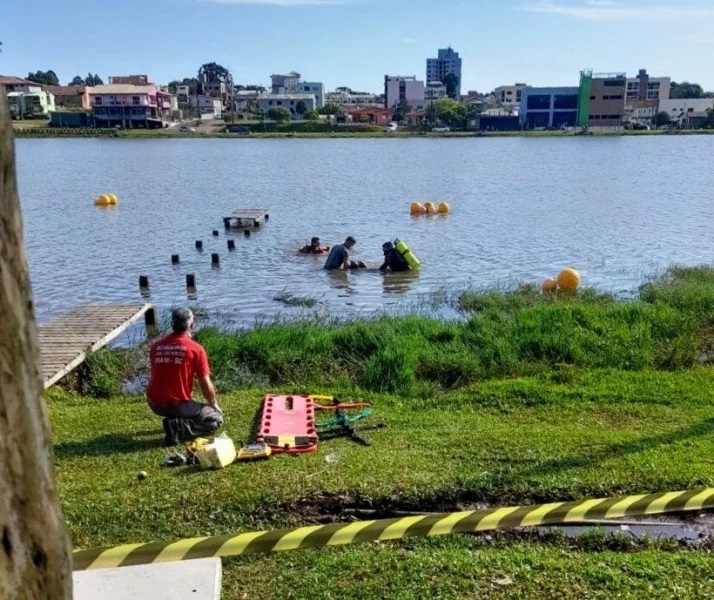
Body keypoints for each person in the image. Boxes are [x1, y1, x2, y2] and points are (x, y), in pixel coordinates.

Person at [147, 308, 224, 447]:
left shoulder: (155, 346)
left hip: (153, 403)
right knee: (215, 419)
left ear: (172, 324)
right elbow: (205, 384)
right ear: (191, 325)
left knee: (189, 404)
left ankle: (176, 420)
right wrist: (213, 404)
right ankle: (177, 428)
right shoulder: (195, 349)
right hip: (177, 405)